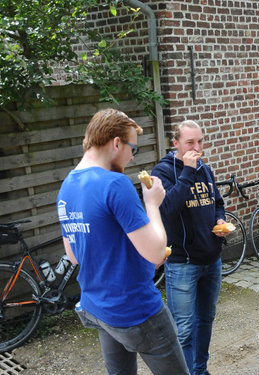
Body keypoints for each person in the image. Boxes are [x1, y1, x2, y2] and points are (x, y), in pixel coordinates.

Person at [56, 108, 189, 375]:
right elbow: (154, 252)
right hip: (135, 309)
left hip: (97, 307)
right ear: (116, 142)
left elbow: (75, 255)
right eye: (132, 149)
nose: (131, 156)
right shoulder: (115, 184)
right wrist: (153, 204)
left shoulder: (67, 187)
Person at [151, 120, 227, 375]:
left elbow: (217, 201)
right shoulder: (162, 172)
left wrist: (220, 219)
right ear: (176, 144)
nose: (197, 147)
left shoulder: (205, 168)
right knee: (182, 330)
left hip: (212, 259)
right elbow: (167, 209)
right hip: (183, 263)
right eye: (190, 142)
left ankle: (199, 370)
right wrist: (187, 171)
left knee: (205, 320)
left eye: (200, 141)